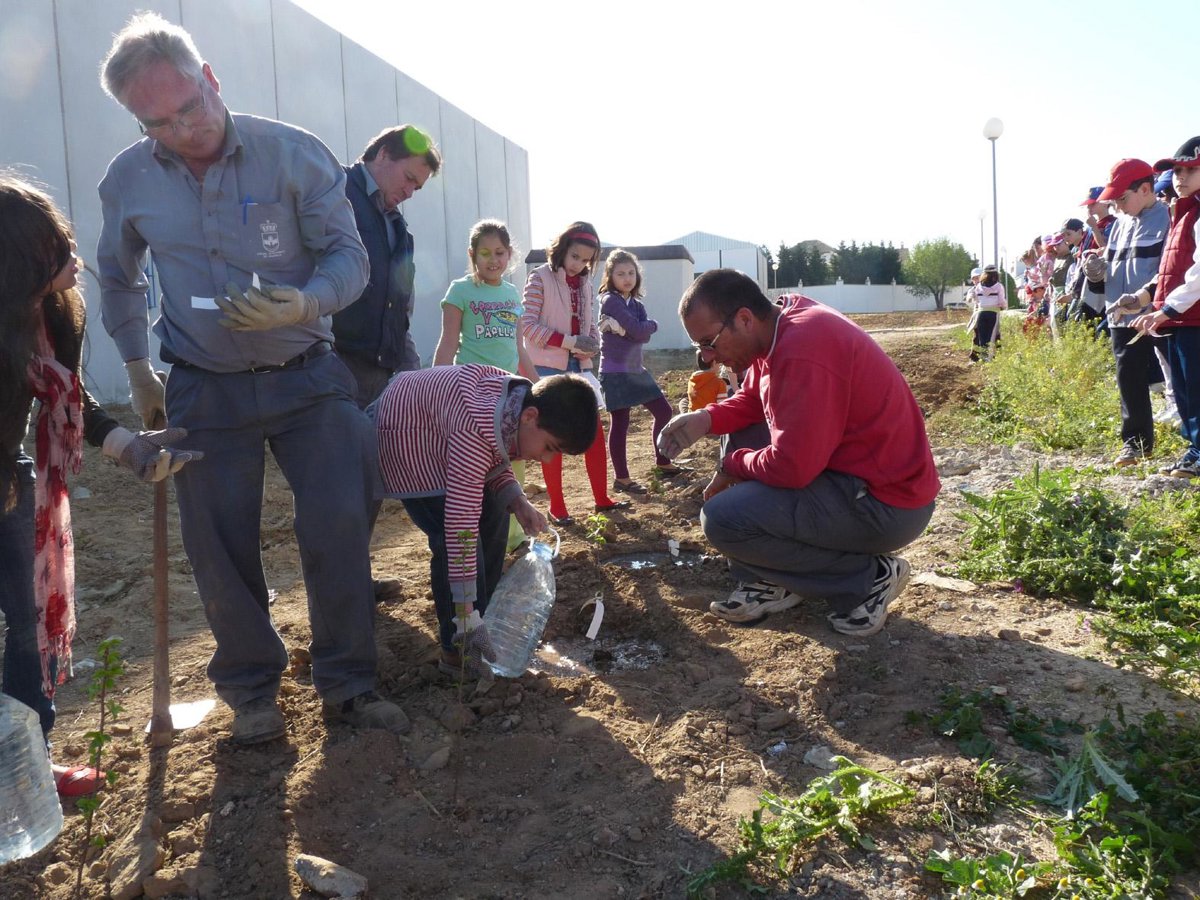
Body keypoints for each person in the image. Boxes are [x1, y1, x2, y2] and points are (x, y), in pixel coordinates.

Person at [96, 12, 406, 744]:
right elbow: (118, 276)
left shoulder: (292, 154)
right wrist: (137, 366)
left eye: (189, 107)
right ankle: (251, 689)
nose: (183, 131)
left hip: (308, 377)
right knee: (217, 541)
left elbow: (349, 258)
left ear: (210, 78)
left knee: (338, 519)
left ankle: (348, 682)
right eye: (157, 123)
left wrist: (305, 301)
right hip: (202, 384)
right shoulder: (128, 179)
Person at [0, 174, 199, 793]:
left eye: (62, 236)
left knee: (30, 627)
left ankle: (27, 770)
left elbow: (70, 399)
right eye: (50, 247)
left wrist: (129, 447)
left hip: (9, 478)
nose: (70, 252)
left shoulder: (51, 312)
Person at [657, 270, 939, 635]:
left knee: (722, 520)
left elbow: (792, 468)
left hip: (886, 504)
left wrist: (732, 465)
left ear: (744, 318)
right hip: (851, 478)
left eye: (708, 342)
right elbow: (754, 401)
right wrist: (705, 419)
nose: (707, 356)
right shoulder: (777, 326)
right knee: (739, 431)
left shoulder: (804, 349)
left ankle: (867, 579)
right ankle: (771, 578)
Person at [373, 367, 598, 675]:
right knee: (452, 540)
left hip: (440, 427)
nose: (546, 459)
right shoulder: (475, 428)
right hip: (405, 438)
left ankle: (483, 620)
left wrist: (518, 501)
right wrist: (465, 614)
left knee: (496, 510)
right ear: (530, 416)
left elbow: (492, 454)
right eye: (549, 448)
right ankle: (458, 649)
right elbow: (460, 530)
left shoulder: (515, 406)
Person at [432, 219, 538, 550]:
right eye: (485, 253)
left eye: (500, 252)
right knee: (476, 465)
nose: (493, 260)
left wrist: (538, 385)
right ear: (472, 255)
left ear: (510, 254)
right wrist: (436, 387)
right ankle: (473, 536)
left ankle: (513, 537)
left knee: (513, 461)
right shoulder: (460, 291)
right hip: (473, 393)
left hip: (510, 393)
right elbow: (448, 342)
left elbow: (519, 348)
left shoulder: (512, 294)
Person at [520, 222, 628, 525]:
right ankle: (557, 506)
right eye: (575, 256)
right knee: (552, 436)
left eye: (586, 260)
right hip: (545, 368)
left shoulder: (586, 285)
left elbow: (590, 326)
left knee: (594, 432)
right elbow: (527, 326)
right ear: (562, 248)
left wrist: (591, 345)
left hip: (579, 368)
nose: (578, 264)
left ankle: (602, 499)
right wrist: (569, 342)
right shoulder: (539, 277)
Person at [334, 125, 441, 408]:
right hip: (330, 369)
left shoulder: (400, 230)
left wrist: (415, 380)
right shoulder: (332, 189)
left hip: (378, 379)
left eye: (417, 187)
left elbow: (399, 313)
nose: (410, 193)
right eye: (409, 178)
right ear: (383, 154)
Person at [1082, 158, 1171, 467]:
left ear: (1145, 189)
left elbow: (1169, 270)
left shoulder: (1169, 219)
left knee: (1181, 380)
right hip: (1121, 317)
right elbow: (1112, 268)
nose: (1117, 206)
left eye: (1122, 198)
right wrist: (1096, 273)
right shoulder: (1119, 225)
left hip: (1159, 316)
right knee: (1129, 381)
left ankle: (1192, 443)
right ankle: (1136, 443)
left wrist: (1146, 298)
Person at [1132, 137, 1200, 477]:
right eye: (1177, 171)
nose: (1180, 178)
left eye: (1190, 170)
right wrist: (1154, 303)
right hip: (1183, 317)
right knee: (1185, 392)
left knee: (1196, 391)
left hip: (1193, 317)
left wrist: (1167, 310)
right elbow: (1170, 269)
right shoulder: (1183, 212)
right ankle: (1194, 451)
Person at [595, 249, 685, 494]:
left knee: (664, 411)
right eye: (620, 273)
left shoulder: (636, 304)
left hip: (636, 370)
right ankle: (622, 478)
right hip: (614, 372)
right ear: (610, 276)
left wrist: (639, 328)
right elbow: (638, 330)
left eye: (631, 273)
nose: (627, 278)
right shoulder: (610, 300)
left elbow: (642, 335)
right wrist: (646, 327)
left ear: (637, 276)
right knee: (620, 423)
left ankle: (663, 461)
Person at [969, 265, 1005, 362]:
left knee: (982, 337)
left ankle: (983, 357)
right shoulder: (999, 286)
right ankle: (989, 359)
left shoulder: (979, 286)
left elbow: (976, 300)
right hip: (993, 313)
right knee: (992, 336)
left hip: (981, 313)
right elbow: (1001, 301)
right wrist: (1002, 307)